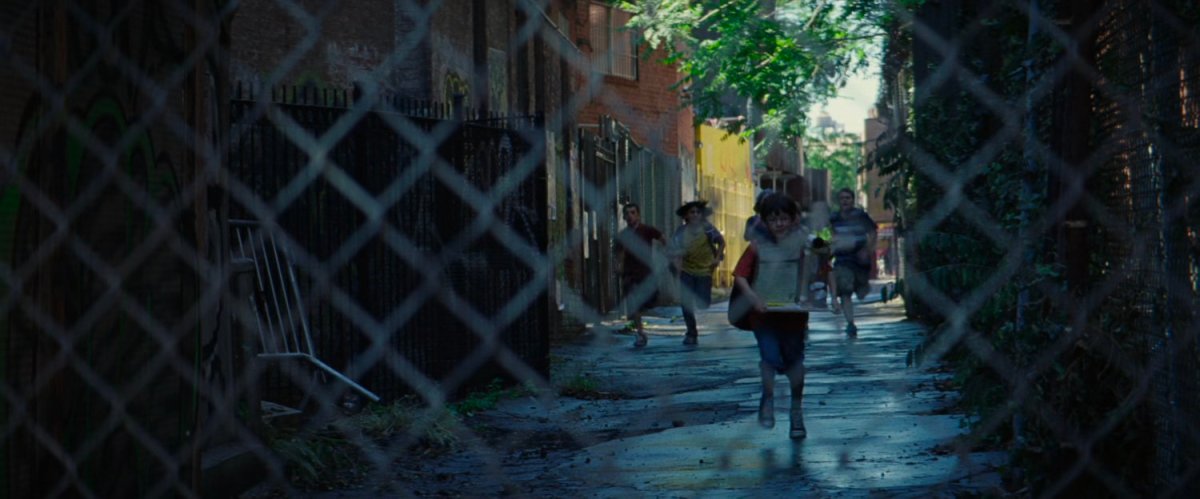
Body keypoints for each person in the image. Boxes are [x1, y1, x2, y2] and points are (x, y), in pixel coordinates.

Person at [731, 192, 814, 439]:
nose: (779, 224)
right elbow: (739, 275)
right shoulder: (757, 247)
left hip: (793, 316)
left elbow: (821, 269)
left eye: (784, 219)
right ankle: (767, 399)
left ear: (793, 219)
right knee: (769, 358)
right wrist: (754, 299)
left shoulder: (804, 245)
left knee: (795, 363)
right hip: (764, 316)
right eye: (773, 219)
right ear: (765, 222)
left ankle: (796, 410)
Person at [669, 200, 725, 346]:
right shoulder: (681, 232)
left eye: (697, 212)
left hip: (705, 270)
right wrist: (677, 268)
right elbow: (674, 250)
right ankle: (691, 333)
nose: (695, 215)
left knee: (703, 303)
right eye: (691, 212)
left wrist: (717, 258)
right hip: (687, 270)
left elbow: (721, 242)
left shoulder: (707, 229)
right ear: (686, 215)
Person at [614, 202, 667, 348]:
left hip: (647, 273)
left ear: (638, 215)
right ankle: (640, 333)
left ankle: (640, 322)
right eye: (627, 213)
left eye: (633, 213)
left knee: (650, 301)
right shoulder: (623, 235)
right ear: (624, 217)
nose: (630, 216)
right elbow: (618, 254)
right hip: (630, 273)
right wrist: (618, 266)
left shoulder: (647, 230)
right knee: (634, 303)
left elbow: (663, 238)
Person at [829, 187, 878, 336]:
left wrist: (867, 250)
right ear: (839, 201)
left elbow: (873, 232)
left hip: (860, 258)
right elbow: (833, 233)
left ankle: (862, 286)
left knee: (862, 290)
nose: (845, 201)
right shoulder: (834, 217)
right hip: (843, 259)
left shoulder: (860, 215)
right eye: (842, 198)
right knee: (845, 291)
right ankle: (850, 323)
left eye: (848, 198)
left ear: (853, 200)